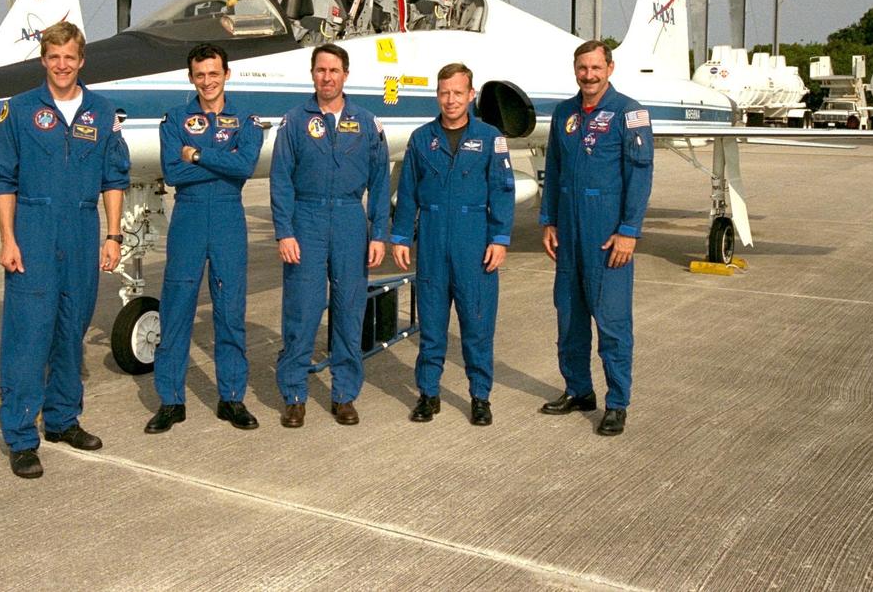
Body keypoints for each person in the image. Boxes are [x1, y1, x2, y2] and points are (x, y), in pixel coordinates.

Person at [0, 21, 130, 478]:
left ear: (81, 59)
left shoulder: (101, 112)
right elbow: (3, 180)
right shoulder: (21, 109)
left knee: (72, 330)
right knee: (28, 337)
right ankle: (21, 437)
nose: (62, 65)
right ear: (43, 60)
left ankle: (63, 419)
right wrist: (8, 239)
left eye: (69, 57)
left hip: (82, 229)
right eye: (54, 57)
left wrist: (113, 235)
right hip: (33, 228)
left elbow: (114, 178)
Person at [145, 44, 263, 434]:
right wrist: (217, 160)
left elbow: (245, 166)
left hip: (229, 216)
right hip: (190, 217)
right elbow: (173, 173)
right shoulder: (176, 119)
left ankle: (232, 398)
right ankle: (170, 401)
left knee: (230, 310)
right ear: (191, 77)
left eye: (214, 73)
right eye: (200, 75)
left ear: (226, 74)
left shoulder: (245, 119)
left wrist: (197, 156)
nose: (208, 81)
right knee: (176, 308)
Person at [271, 43, 390, 427]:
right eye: (321, 70)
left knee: (349, 309)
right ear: (313, 74)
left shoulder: (367, 122)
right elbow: (280, 181)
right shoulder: (293, 121)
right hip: (306, 219)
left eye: (334, 70)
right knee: (301, 310)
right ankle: (294, 394)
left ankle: (344, 395)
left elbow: (381, 181)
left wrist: (378, 234)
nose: (327, 77)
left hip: (350, 219)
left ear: (345, 75)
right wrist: (284, 232)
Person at [539, 40, 653, 436]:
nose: (589, 75)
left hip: (607, 235)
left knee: (612, 323)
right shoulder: (564, 114)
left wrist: (628, 231)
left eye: (595, 67)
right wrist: (549, 220)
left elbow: (640, 175)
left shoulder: (629, 113)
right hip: (568, 233)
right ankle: (579, 390)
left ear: (610, 68)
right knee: (569, 319)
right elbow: (553, 170)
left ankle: (617, 402)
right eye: (582, 68)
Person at [391, 63, 515, 426]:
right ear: (438, 95)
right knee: (431, 327)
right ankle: (429, 394)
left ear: (471, 95)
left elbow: (503, 192)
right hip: (431, 242)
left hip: (473, 242)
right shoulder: (421, 138)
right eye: (444, 92)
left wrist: (500, 238)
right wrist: (400, 237)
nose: (451, 100)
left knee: (477, 326)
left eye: (458, 93)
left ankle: (480, 396)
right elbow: (408, 192)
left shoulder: (491, 138)